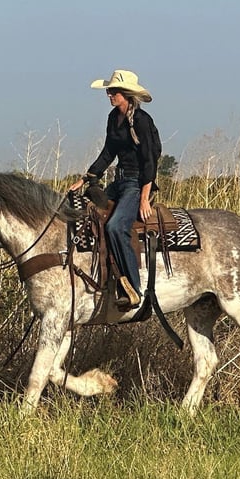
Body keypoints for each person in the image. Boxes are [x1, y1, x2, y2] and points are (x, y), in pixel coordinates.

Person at [70, 69, 161, 311]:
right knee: (83, 209)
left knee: (116, 226)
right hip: (118, 182)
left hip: (135, 182)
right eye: (109, 91)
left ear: (126, 95)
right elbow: (108, 152)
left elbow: (150, 161)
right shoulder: (113, 118)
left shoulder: (142, 121)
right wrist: (87, 177)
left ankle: (133, 288)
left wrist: (144, 198)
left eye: (113, 91)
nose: (109, 95)